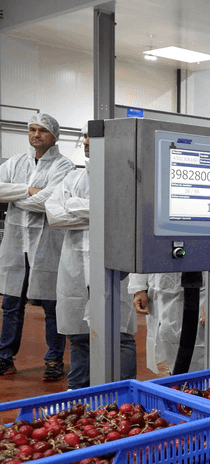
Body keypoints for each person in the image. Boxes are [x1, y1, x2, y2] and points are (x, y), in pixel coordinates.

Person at [46, 132, 137, 388]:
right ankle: (78, 395)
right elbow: (55, 217)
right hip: (75, 266)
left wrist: (74, 205)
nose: (86, 144)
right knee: (78, 335)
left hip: (112, 264)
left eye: (92, 140)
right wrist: (101, 211)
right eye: (84, 140)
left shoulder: (123, 177)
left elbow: (124, 212)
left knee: (121, 335)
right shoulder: (72, 177)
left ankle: (127, 393)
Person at [0, 113, 74, 379]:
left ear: (53, 135)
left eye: (41, 130)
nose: (35, 135)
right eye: (31, 129)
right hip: (16, 243)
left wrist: (17, 194)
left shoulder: (63, 166)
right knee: (11, 303)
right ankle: (4, 357)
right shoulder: (16, 162)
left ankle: (54, 360)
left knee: (52, 305)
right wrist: (29, 190)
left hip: (47, 246)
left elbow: (47, 202)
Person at [130, 273, 207, 373]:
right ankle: (178, 384)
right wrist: (139, 288)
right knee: (170, 350)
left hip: (199, 292)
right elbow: (142, 257)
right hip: (158, 291)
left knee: (198, 355)